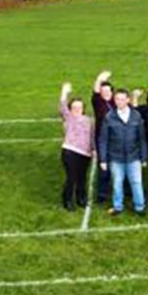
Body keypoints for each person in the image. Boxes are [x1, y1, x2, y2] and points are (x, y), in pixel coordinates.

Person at [97, 88, 148, 216]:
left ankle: (140, 207)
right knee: (117, 183)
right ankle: (118, 207)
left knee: (136, 182)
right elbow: (103, 139)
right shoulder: (109, 117)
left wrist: (144, 157)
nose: (119, 102)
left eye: (122, 99)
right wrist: (103, 159)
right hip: (115, 157)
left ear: (128, 100)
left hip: (134, 156)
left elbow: (142, 138)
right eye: (117, 99)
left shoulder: (136, 115)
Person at [58, 82, 95, 211]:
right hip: (70, 151)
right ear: (71, 108)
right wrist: (65, 91)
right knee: (71, 177)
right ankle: (67, 200)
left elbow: (92, 136)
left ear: (83, 108)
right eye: (74, 107)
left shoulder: (89, 120)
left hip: (85, 153)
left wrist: (94, 149)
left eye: (79, 107)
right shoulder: (69, 117)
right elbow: (62, 107)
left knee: (82, 177)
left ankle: (81, 199)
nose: (77, 109)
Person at [90, 71, 115, 202]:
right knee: (103, 168)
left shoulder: (116, 103)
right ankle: (102, 194)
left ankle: (120, 191)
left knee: (116, 166)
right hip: (102, 140)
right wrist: (99, 78)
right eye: (103, 91)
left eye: (108, 91)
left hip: (116, 140)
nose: (106, 93)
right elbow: (95, 92)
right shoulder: (98, 103)